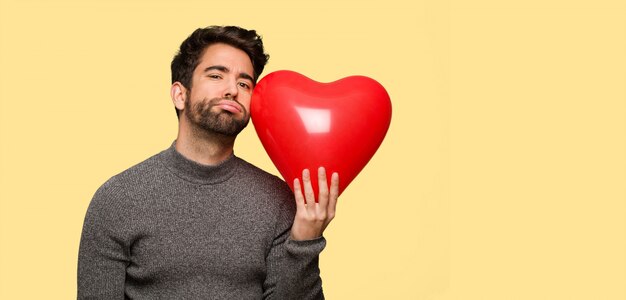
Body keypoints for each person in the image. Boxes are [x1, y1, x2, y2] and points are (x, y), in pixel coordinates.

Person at [77, 25, 339, 299]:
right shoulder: (118, 198)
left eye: (244, 83)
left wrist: (305, 241)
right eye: (216, 75)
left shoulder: (279, 200)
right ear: (180, 95)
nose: (232, 90)